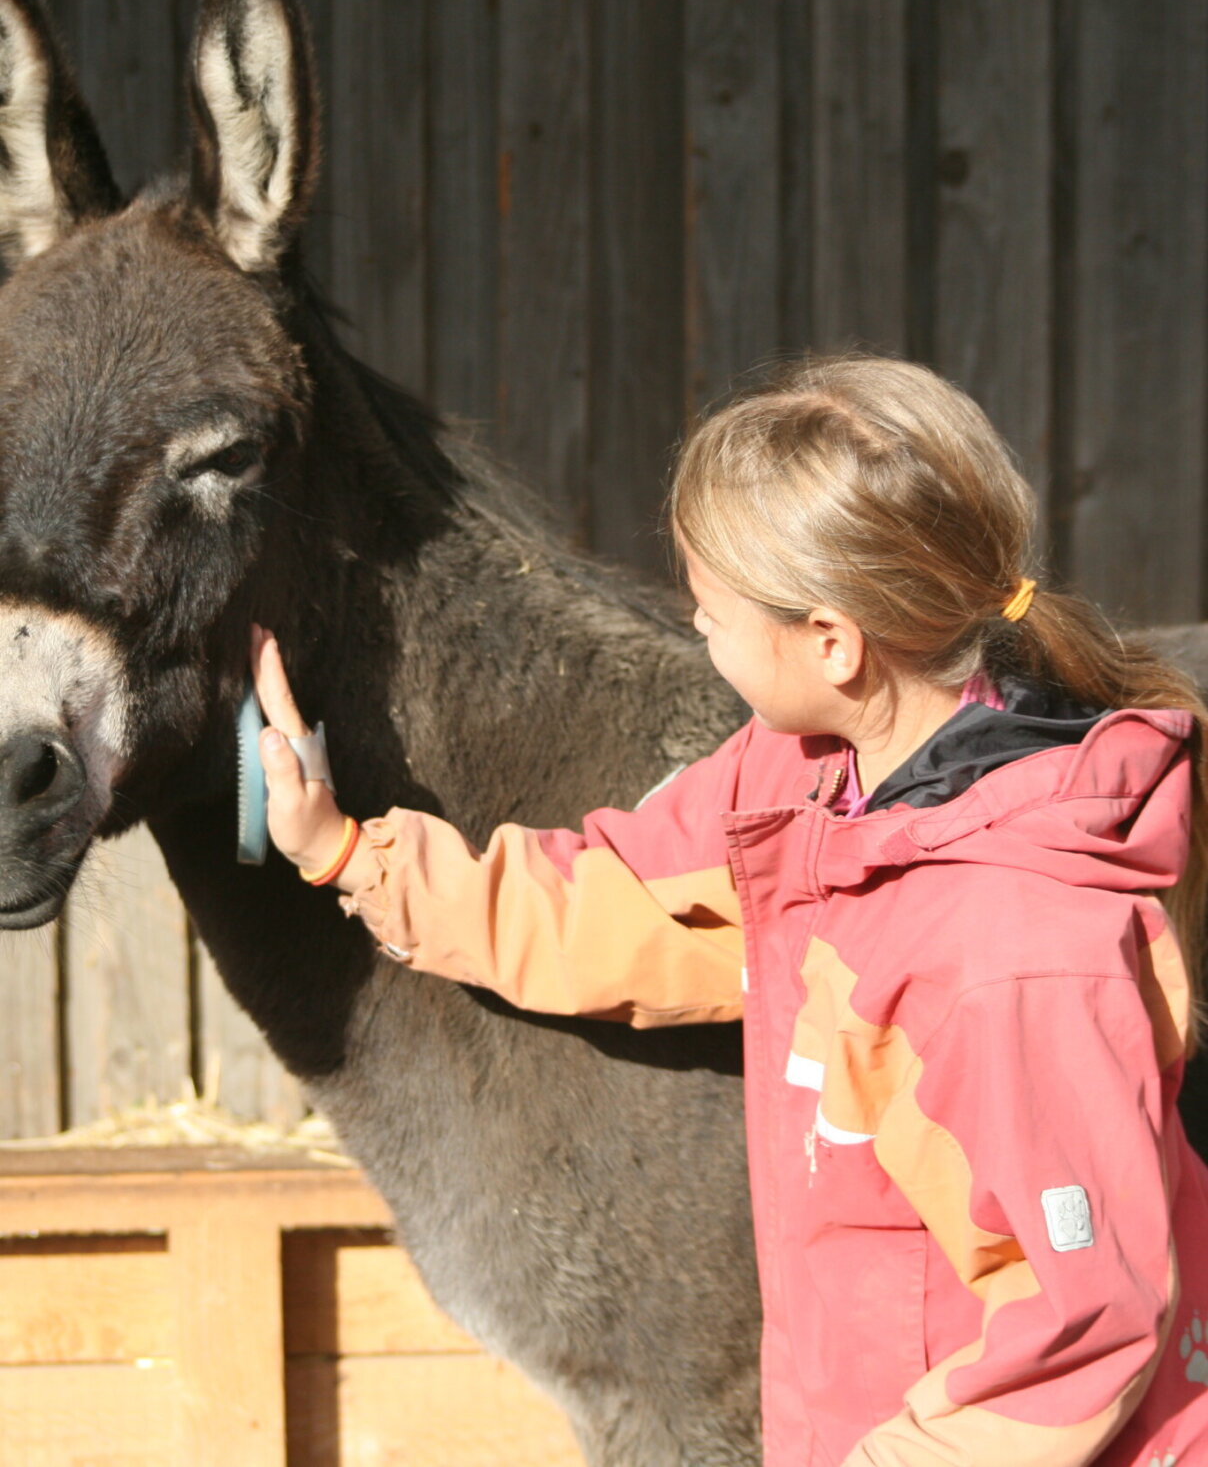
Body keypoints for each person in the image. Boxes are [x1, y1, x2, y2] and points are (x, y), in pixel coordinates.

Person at [251, 354, 1208, 1466]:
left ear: (832, 642)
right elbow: (618, 903)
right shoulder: (800, 778)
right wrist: (346, 852)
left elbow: (1080, 1325)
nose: (696, 633)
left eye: (711, 613)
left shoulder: (1013, 953)